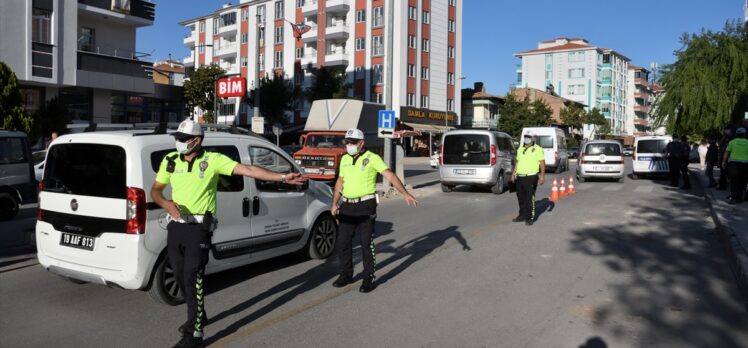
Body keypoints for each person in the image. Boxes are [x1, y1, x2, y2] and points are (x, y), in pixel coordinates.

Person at [150, 119, 306, 348]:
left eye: (183, 139)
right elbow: (155, 190)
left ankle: (195, 333)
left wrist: (282, 177)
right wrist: (165, 203)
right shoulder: (171, 161)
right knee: (181, 277)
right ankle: (199, 313)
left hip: (198, 228)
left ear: (197, 140)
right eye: (177, 138)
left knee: (193, 277)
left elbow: (249, 170)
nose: (179, 143)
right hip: (176, 226)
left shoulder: (212, 160)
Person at [330, 128, 418, 293]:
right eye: (347, 142)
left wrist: (405, 193)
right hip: (347, 206)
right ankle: (346, 274)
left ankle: (368, 277)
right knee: (343, 243)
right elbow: (340, 182)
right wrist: (334, 203)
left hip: (366, 205)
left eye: (352, 142)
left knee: (366, 244)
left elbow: (390, 175)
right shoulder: (344, 159)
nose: (348, 145)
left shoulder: (372, 158)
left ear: (361, 143)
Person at [511, 132, 546, 226]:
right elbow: (518, 162)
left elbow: (542, 162)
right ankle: (522, 215)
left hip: (531, 176)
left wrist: (542, 175)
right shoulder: (520, 148)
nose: (527, 138)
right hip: (520, 176)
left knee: (530, 197)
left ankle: (530, 217)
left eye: (529, 137)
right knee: (520, 197)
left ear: (532, 138)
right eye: (525, 137)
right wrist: (514, 173)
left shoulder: (537, 149)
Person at [722, 127, 748, 204]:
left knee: (734, 182)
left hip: (733, 165)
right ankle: (740, 198)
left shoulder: (732, 142)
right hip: (745, 165)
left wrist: (723, 162)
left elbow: (726, 153)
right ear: (744, 134)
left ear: (737, 134)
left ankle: (733, 198)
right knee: (742, 181)